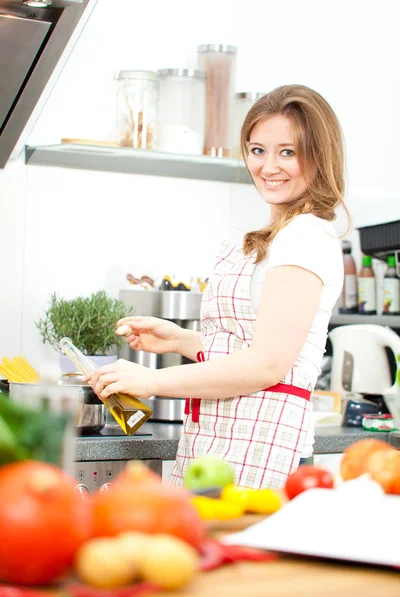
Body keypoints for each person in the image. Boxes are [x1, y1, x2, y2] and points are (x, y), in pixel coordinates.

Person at [87, 84, 348, 490]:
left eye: (288, 151)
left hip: (261, 442)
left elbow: (267, 364)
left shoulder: (307, 237)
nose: (268, 166)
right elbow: (252, 342)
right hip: (220, 436)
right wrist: (180, 340)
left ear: (319, 155)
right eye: (257, 149)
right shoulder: (281, 234)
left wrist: (152, 382)